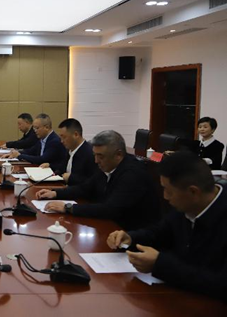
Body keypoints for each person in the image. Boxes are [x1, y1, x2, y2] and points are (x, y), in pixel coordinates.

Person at [107, 151, 227, 300]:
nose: (165, 196)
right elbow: (160, 232)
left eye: (169, 191)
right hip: (177, 295)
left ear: (193, 192)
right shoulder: (186, 205)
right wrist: (131, 238)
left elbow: (221, 284)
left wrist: (160, 265)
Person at [36, 130, 159, 230]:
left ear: (118, 155)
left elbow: (110, 209)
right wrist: (55, 193)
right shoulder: (107, 166)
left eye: (100, 156)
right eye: (95, 155)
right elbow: (85, 188)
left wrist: (68, 208)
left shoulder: (133, 174)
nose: (96, 161)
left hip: (133, 235)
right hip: (112, 227)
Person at [0, 113, 67, 172]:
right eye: (34, 128)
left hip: (53, 174)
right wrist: (15, 153)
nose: (35, 131)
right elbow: (31, 151)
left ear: (46, 127)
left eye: (37, 128)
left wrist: (19, 155)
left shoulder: (54, 141)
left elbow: (41, 159)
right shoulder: (42, 139)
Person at [40, 118, 97, 186]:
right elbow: (63, 167)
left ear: (76, 135)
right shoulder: (69, 149)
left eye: (64, 137)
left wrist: (71, 178)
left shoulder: (89, 154)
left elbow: (92, 182)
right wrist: (50, 166)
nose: (61, 141)